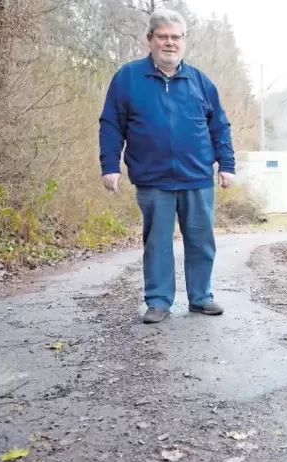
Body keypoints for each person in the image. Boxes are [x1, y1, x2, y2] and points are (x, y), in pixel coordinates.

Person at [98, 8, 235, 324]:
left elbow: (220, 126)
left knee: (201, 242)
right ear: (150, 40)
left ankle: (201, 297)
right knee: (157, 243)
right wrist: (110, 166)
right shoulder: (128, 78)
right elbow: (110, 124)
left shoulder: (200, 82)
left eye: (175, 37)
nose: (169, 43)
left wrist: (226, 164)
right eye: (163, 37)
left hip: (197, 178)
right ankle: (158, 301)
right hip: (153, 179)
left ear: (183, 41)